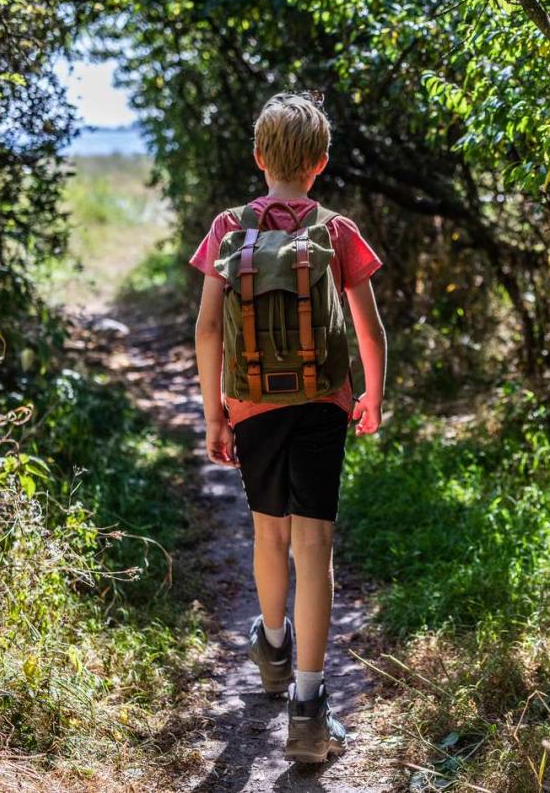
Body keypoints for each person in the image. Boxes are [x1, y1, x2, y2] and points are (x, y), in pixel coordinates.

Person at [189, 92, 387, 762]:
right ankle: (308, 707)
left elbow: (209, 327)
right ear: (321, 164)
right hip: (322, 405)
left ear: (257, 157)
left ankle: (271, 645)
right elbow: (369, 328)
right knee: (316, 549)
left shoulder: (227, 228)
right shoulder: (336, 229)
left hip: (252, 406)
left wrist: (216, 412)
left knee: (269, 535)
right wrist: (373, 396)